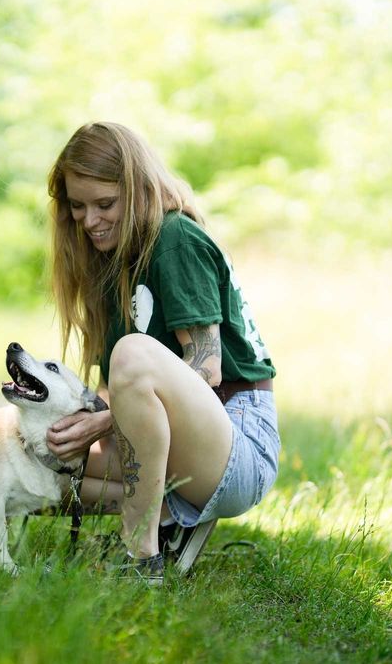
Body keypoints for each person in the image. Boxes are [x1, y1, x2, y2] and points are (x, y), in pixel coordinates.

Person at [44, 122, 280, 583]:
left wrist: (107, 421)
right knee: (35, 453)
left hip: (235, 442)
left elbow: (206, 370)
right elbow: (112, 390)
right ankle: (170, 519)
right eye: (78, 207)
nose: (90, 220)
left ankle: (141, 555)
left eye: (105, 204)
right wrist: (78, 428)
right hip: (170, 450)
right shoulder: (113, 266)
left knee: (133, 352)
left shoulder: (175, 239)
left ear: (137, 190)